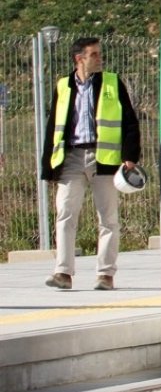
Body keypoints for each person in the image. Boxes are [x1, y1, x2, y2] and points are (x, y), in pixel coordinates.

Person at [40, 37, 142, 291]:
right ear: (79, 59)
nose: (99, 58)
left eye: (99, 53)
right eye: (94, 54)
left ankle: (105, 275)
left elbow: (130, 121)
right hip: (72, 158)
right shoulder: (63, 85)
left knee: (108, 218)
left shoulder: (111, 82)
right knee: (65, 213)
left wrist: (130, 157)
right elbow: (53, 126)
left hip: (104, 158)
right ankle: (63, 273)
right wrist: (49, 167)